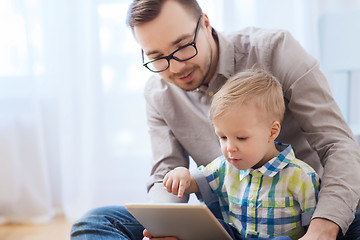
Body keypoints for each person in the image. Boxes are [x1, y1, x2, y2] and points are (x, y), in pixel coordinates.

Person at [70, 0, 360, 239]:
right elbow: (165, 174)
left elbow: (339, 145)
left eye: (183, 45)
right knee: (96, 222)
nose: (176, 66)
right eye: (157, 57)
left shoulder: (275, 50)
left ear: (206, 24)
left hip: (306, 218)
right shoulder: (158, 93)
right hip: (229, 223)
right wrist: (164, 229)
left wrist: (324, 228)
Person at [163, 69, 320, 239]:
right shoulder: (224, 166)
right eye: (223, 137)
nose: (230, 148)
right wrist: (182, 175)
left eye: (241, 138)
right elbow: (194, 183)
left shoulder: (301, 176)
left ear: (272, 132)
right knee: (214, 226)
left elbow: (314, 229)